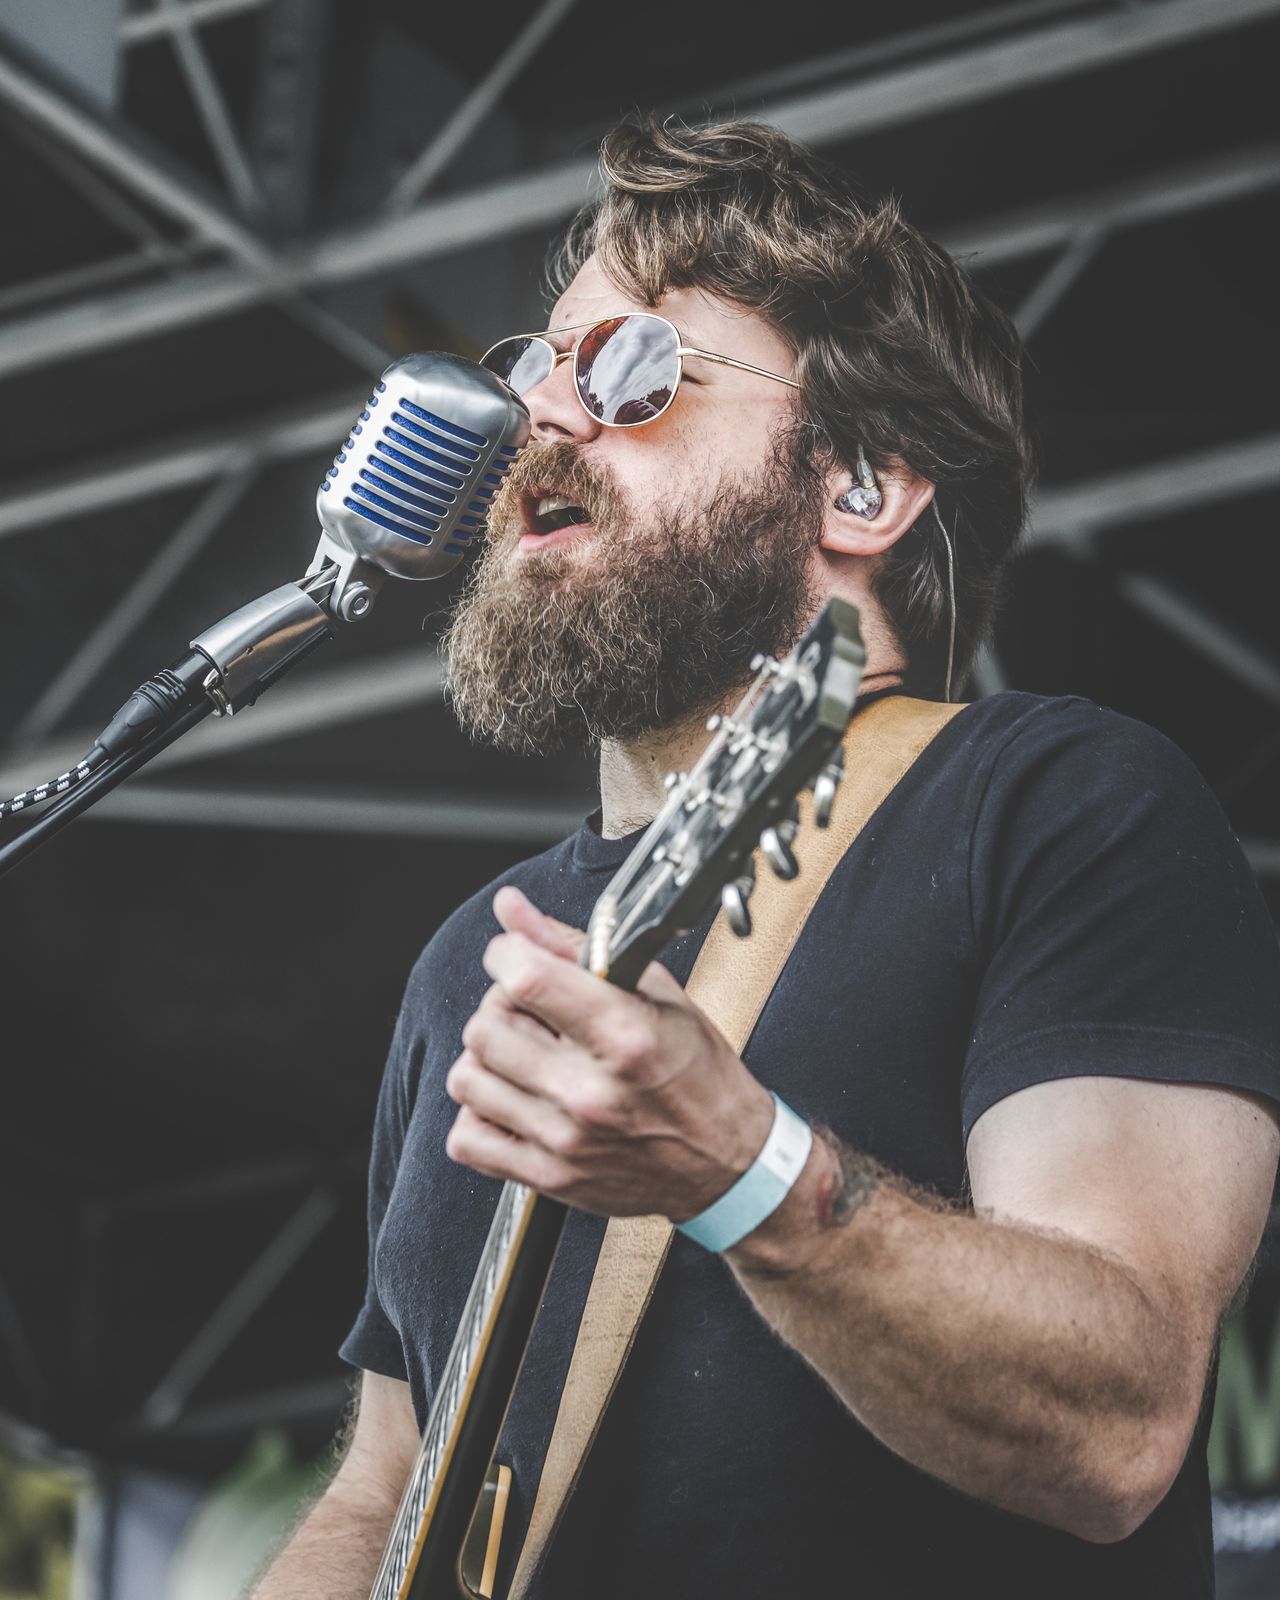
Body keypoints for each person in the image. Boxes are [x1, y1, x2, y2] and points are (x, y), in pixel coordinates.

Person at [254, 119, 1280, 1600]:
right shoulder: (475, 957)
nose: (543, 419)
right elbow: (388, 1483)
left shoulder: (1056, 802)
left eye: (632, 370)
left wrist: (746, 1172)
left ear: (859, 486)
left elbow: (1115, 1426)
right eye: (537, 370)